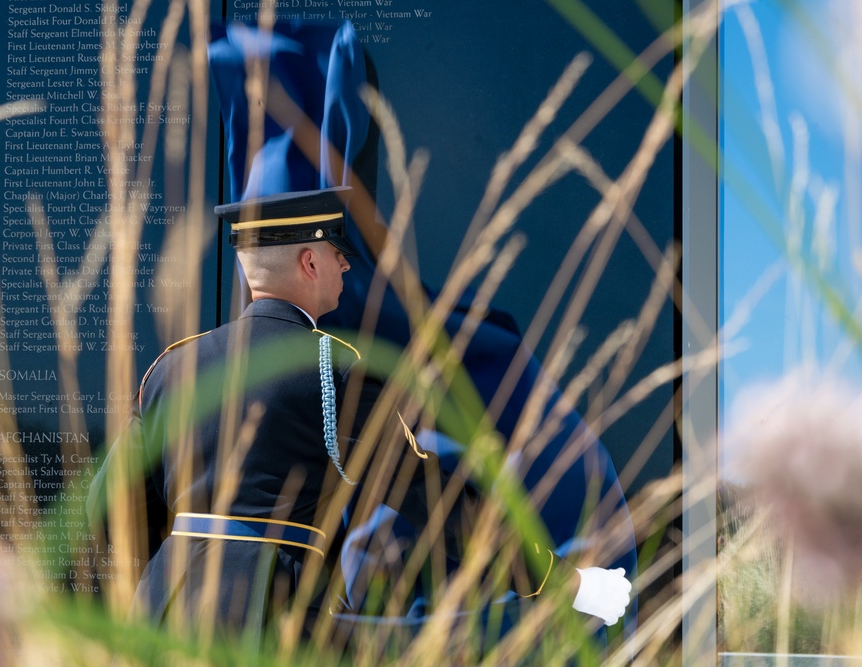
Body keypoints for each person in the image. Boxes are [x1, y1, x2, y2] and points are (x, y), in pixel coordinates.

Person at [92, 186, 631, 646]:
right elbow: (430, 499)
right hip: (275, 620)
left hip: (161, 616)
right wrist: (562, 581)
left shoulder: (172, 367)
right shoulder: (333, 368)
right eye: (336, 253)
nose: (346, 264)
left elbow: (104, 506)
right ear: (309, 262)